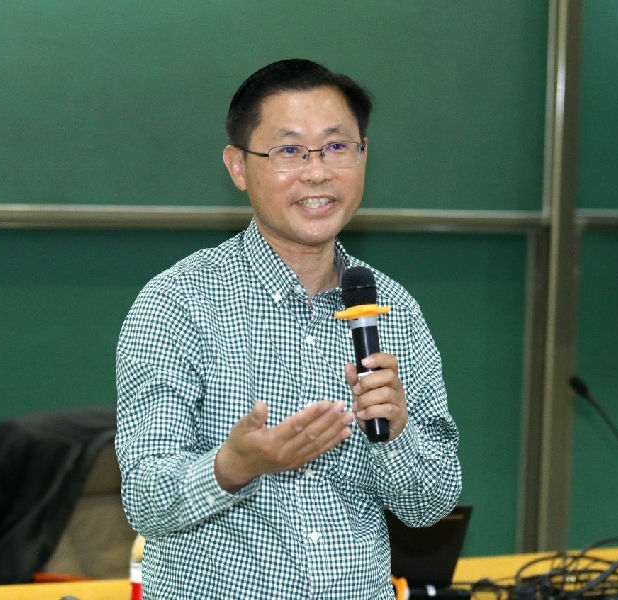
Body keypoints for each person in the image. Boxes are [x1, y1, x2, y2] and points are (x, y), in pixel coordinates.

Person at [115, 58, 461, 599]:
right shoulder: (178, 302)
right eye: (289, 150)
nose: (317, 172)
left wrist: (397, 435)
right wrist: (233, 466)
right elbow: (143, 498)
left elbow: (430, 505)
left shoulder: (392, 308)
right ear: (238, 166)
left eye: (337, 146)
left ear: (363, 155)